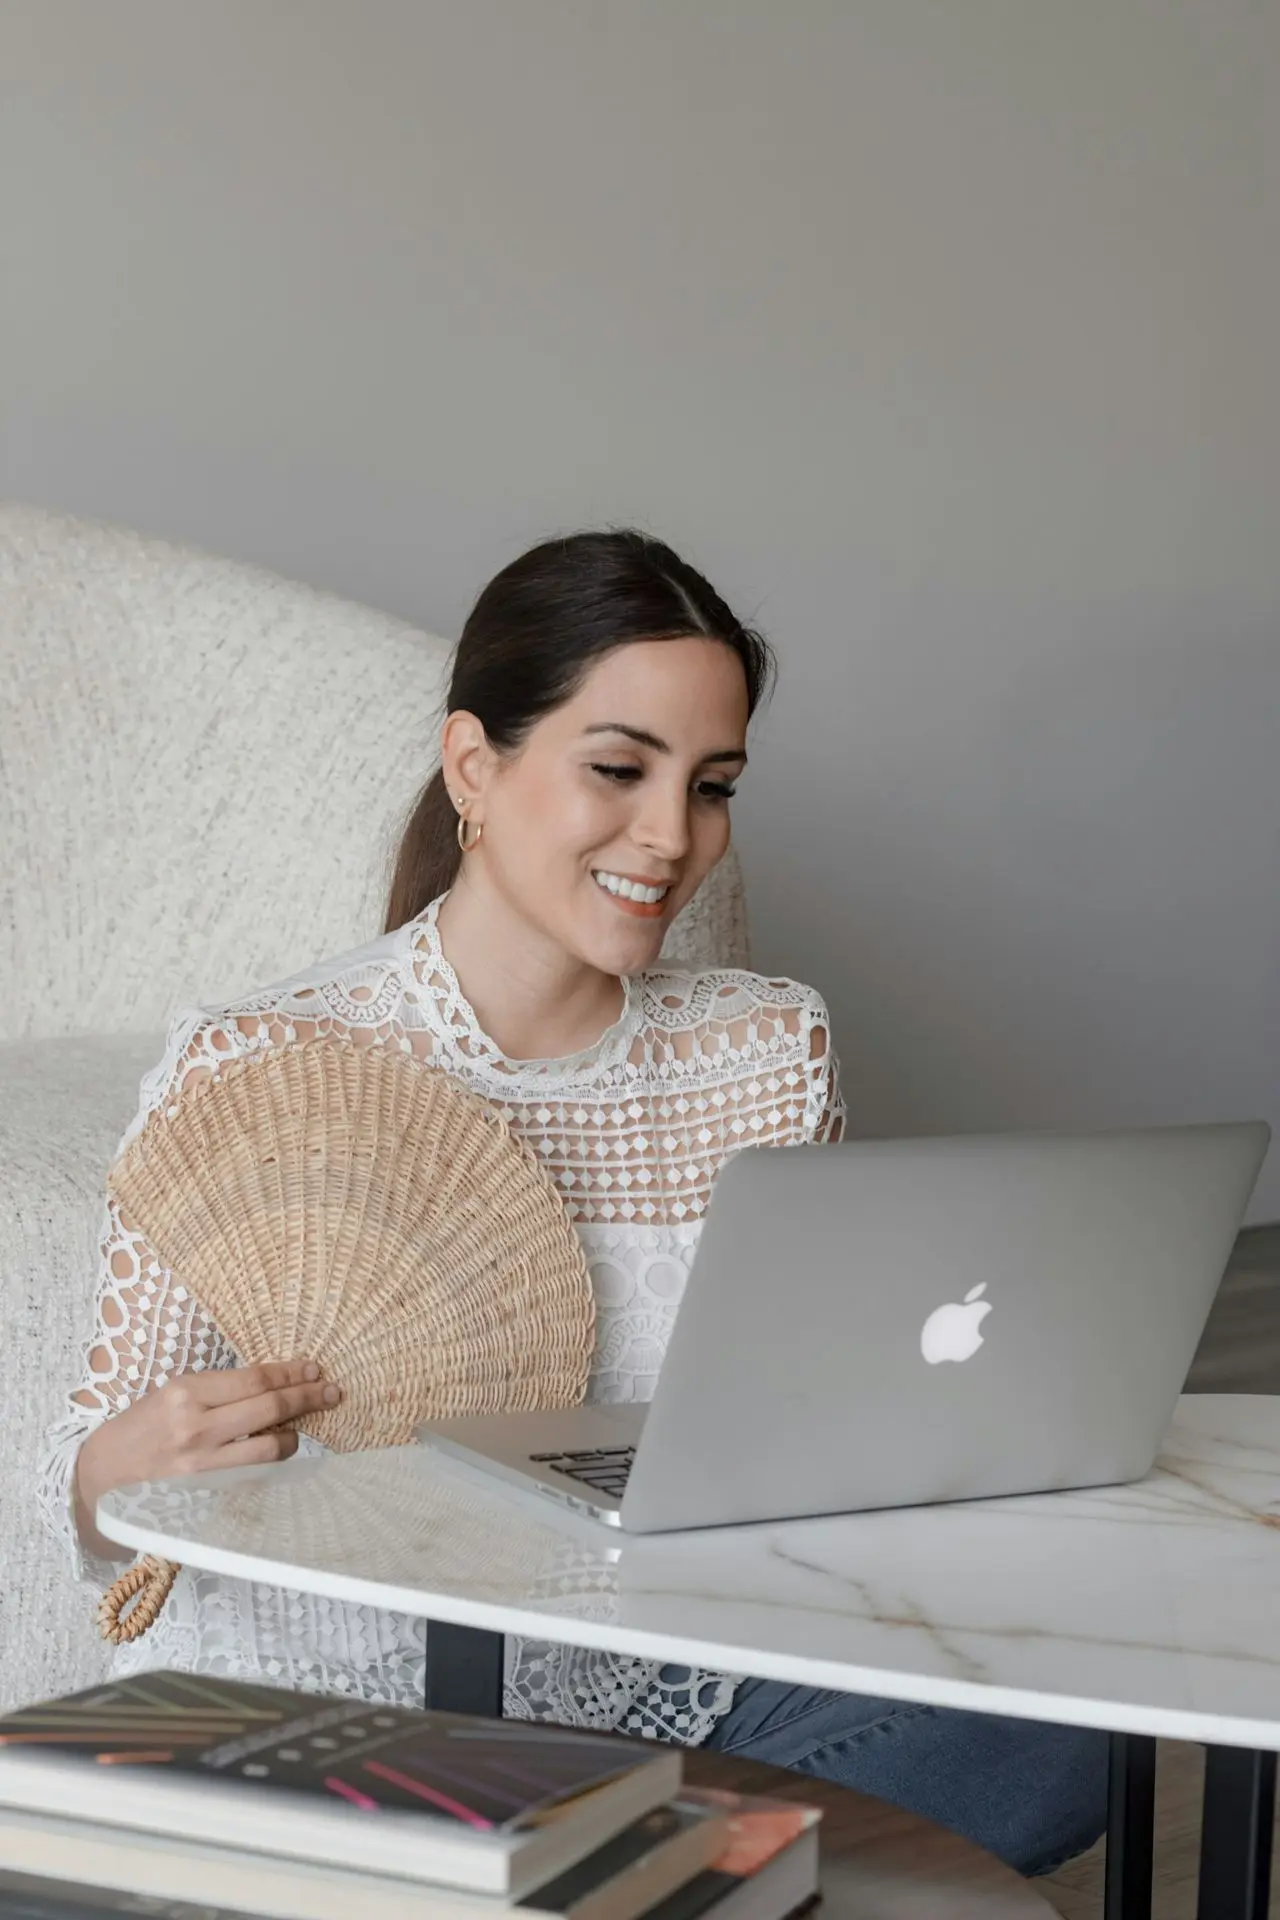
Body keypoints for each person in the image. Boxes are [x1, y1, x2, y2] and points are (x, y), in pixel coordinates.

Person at [41, 529, 1106, 1876]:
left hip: (668, 1681)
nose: (672, 836)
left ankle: (596, 1872)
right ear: (474, 766)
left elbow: (805, 1412)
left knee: (1047, 1747)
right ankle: (634, 1873)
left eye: (712, 785)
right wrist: (112, 1477)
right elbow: (89, 1488)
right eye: (619, 768)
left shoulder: (768, 1053)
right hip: (359, 1706)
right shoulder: (261, 1062)